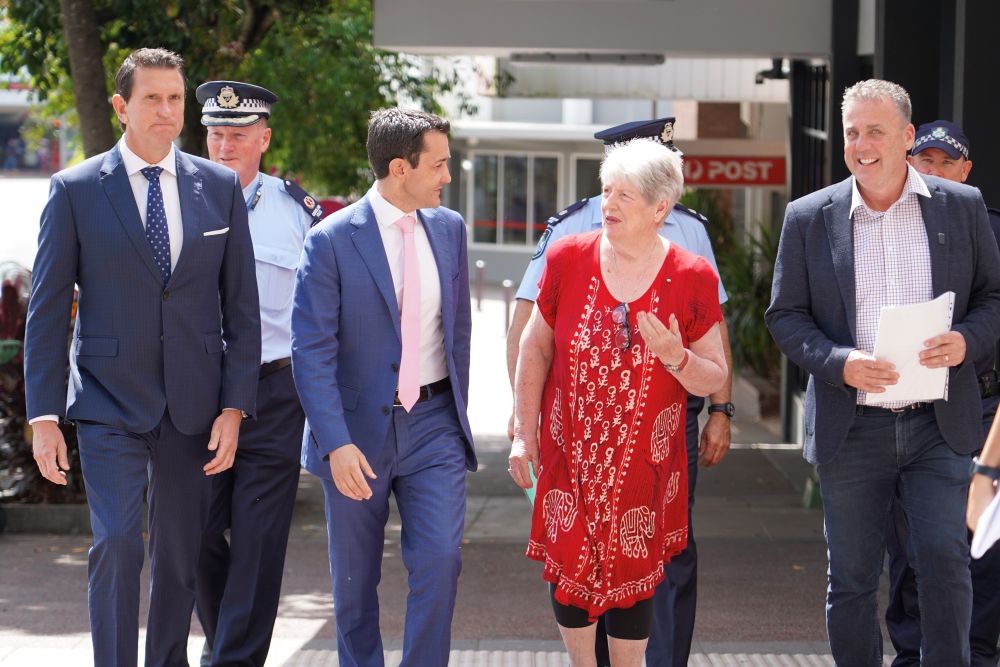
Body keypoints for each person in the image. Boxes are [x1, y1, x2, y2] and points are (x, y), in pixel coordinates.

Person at [23, 48, 260, 667]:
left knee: (180, 556)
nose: (166, 110)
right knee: (120, 542)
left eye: (176, 98)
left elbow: (242, 310)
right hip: (107, 400)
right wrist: (43, 415)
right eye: (152, 98)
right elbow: (46, 310)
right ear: (121, 107)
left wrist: (235, 405)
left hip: (194, 405)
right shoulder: (74, 190)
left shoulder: (218, 189)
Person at [766, 79, 1000, 666]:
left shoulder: (961, 207)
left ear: (906, 136)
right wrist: (840, 363)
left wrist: (966, 341)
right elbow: (785, 316)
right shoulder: (808, 217)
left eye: (875, 131)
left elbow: (993, 298)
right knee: (850, 579)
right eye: (852, 133)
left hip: (938, 423)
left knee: (945, 565)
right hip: (853, 428)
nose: (861, 144)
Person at [506, 116, 733, 666]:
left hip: (646, 460)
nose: (608, 204)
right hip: (571, 449)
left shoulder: (692, 275)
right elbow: (535, 348)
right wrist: (523, 433)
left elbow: (715, 373)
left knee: (633, 571)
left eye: (624, 196)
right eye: (607, 190)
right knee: (570, 571)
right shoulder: (567, 257)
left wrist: (677, 357)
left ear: (661, 208)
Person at [291, 108, 474, 667]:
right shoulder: (330, 240)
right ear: (400, 167)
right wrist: (335, 442)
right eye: (438, 165)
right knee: (354, 585)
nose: (447, 176)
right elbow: (311, 350)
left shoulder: (450, 229)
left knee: (441, 561)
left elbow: (457, 330)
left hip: (435, 422)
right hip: (356, 434)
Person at [193, 80, 322, 667]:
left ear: (263, 139)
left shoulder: (300, 214)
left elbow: (321, 312)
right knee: (190, 531)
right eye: (215, 134)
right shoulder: (178, 203)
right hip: (197, 389)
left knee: (258, 539)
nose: (224, 146)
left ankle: (233, 660)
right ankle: (227, 645)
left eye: (238, 135)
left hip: (274, 390)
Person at [881, 120, 1000, 667]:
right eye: (922, 160)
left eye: (944, 162)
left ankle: (973, 652)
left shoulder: (989, 227)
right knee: (908, 544)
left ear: (965, 171)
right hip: (899, 404)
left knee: (976, 542)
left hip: (977, 405)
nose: (931, 171)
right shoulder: (875, 222)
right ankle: (912, 653)